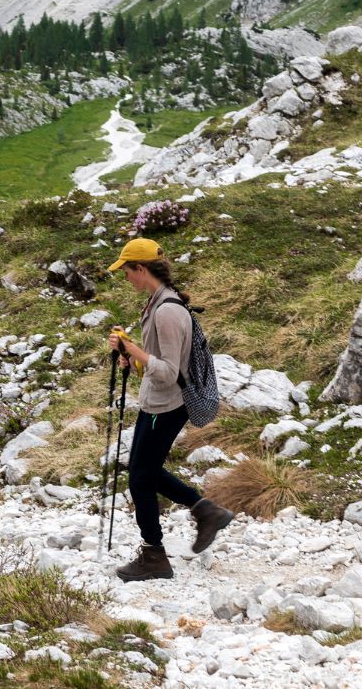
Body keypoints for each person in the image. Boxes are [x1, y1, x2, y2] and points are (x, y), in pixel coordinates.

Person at [104, 237, 233, 581]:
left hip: (168, 405)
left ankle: (155, 556)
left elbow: (169, 372)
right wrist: (129, 355)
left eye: (127, 271)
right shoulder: (157, 303)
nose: (126, 278)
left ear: (141, 269)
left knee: (140, 478)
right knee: (143, 472)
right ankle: (205, 511)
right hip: (157, 402)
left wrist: (135, 350)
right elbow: (155, 366)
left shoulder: (167, 311)